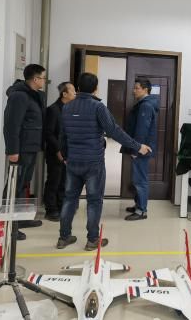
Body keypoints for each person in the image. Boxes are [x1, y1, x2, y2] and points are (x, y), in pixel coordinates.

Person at [57, 72, 152, 251]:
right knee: (94, 200)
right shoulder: (98, 107)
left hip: (73, 161)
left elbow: (63, 135)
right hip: (93, 162)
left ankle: (64, 237)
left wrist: (65, 156)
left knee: (69, 199)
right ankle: (92, 240)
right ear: (95, 88)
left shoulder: (67, 107)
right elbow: (114, 131)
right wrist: (138, 146)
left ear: (78, 88)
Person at [3, 64, 46, 240]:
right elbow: (11, 125)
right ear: (35, 79)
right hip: (21, 149)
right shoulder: (20, 96)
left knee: (23, 184)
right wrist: (12, 150)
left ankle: (19, 219)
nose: (44, 81)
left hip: (31, 147)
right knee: (15, 185)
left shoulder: (34, 95)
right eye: (43, 78)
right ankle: (9, 226)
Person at [121, 78, 159, 221]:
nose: (134, 90)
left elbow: (142, 130)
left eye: (137, 88)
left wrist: (136, 149)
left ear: (145, 89)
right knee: (137, 178)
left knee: (140, 180)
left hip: (142, 149)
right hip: (141, 147)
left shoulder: (146, 106)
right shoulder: (144, 104)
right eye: (134, 87)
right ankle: (138, 205)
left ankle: (141, 211)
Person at [43, 81, 76, 221]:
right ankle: (51, 209)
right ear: (64, 94)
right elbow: (48, 133)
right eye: (72, 91)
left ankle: (62, 206)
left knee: (64, 181)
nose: (75, 93)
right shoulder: (53, 110)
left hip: (68, 152)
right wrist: (58, 150)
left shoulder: (70, 109)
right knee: (54, 181)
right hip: (55, 153)